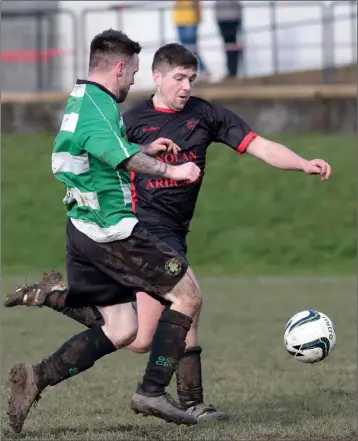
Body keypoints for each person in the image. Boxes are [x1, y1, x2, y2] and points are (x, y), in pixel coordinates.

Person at [5, 43, 332, 427]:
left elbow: (258, 145)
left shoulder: (206, 115)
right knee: (186, 300)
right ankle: (188, 401)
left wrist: (301, 163)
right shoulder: (127, 115)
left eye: (191, 79)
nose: (186, 87)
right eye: (178, 78)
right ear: (156, 77)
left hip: (156, 231)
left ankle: (51, 325)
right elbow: (109, 154)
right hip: (138, 228)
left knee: (135, 335)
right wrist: (166, 167)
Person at [5, 31, 206, 434]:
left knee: (122, 329)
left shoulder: (82, 99)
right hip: (111, 230)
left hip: (81, 228)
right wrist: (172, 169)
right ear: (118, 67)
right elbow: (122, 157)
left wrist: (143, 149)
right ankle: (152, 390)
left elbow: (99, 149)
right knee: (187, 296)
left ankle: (37, 376)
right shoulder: (100, 106)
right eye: (132, 71)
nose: (134, 80)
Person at [172, 0, 210, 82]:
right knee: (186, 49)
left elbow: (195, 4)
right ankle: (199, 71)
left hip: (191, 19)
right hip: (179, 19)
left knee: (191, 48)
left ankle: (200, 71)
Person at [215, 0, 244, 79]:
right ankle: (231, 71)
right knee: (228, 44)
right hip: (223, 15)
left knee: (231, 43)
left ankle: (232, 71)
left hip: (231, 16)